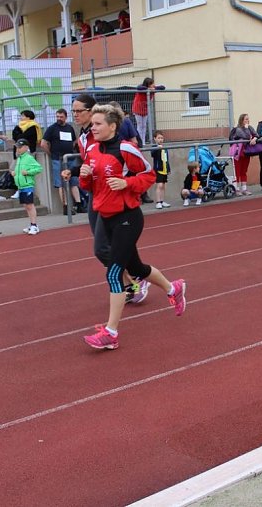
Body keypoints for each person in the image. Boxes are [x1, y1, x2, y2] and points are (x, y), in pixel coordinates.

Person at [81, 104, 187, 350]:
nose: (92, 128)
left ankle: (111, 333)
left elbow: (149, 176)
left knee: (113, 272)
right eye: (92, 124)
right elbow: (90, 186)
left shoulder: (127, 149)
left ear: (112, 126)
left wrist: (126, 183)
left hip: (127, 217)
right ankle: (174, 288)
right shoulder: (93, 149)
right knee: (136, 267)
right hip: (104, 216)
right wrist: (84, 174)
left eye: (97, 124)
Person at [62, 94, 147, 304]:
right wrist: (74, 172)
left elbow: (137, 164)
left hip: (119, 199)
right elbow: (89, 164)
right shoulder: (83, 138)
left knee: (111, 246)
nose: (75, 115)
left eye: (79, 111)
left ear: (92, 111)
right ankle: (132, 279)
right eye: (73, 111)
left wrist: (127, 184)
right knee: (103, 247)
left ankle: (135, 280)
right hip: (97, 195)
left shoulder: (112, 136)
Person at [41, 108, 84, 215]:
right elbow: (43, 143)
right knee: (60, 183)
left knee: (74, 181)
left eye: (61, 117)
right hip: (57, 158)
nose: (59, 119)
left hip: (70, 158)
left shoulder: (69, 128)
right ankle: (66, 206)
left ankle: (79, 204)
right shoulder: (52, 128)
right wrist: (51, 154)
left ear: (66, 117)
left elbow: (74, 141)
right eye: (57, 117)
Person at [12, 138, 43, 235]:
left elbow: (38, 168)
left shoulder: (28, 158)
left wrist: (28, 172)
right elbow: (19, 170)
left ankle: (34, 225)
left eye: (20, 147)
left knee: (30, 205)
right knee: (26, 205)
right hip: (21, 186)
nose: (18, 149)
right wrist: (15, 173)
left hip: (27, 185)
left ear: (26, 147)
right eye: (17, 148)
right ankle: (32, 224)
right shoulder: (19, 158)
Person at [229, 114, 258, 195]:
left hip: (246, 152)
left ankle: (244, 189)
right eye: (246, 119)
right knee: (237, 171)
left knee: (244, 170)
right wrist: (246, 130)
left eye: (248, 119)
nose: (247, 121)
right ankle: (236, 189)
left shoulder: (249, 127)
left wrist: (254, 139)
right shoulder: (237, 129)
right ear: (241, 120)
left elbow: (256, 135)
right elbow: (245, 136)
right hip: (238, 152)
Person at [132, 77, 165, 145]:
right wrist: (148, 89)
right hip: (138, 109)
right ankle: (140, 141)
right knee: (140, 125)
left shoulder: (153, 88)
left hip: (145, 109)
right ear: (148, 84)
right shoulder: (142, 88)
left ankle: (143, 141)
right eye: (152, 84)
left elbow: (162, 87)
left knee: (144, 126)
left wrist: (154, 88)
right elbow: (138, 87)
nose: (153, 85)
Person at [150, 130, 171, 209]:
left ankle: (162, 201)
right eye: (158, 138)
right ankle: (158, 202)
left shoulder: (165, 148)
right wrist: (157, 148)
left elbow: (166, 159)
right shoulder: (154, 147)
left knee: (164, 186)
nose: (160, 140)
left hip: (165, 169)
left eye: (162, 138)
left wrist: (168, 169)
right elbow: (152, 154)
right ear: (155, 139)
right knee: (159, 185)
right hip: (158, 170)